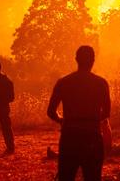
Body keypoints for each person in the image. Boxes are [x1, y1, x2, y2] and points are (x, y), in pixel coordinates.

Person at [47, 45, 111, 181]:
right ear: (93, 60)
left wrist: (63, 120)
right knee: (93, 177)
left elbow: (51, 112)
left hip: (69, 137)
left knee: (66, 177)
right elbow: (106, 113)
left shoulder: (64, 82)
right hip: (93, 137)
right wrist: (91, 120)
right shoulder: (101, 83)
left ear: (76, 59)